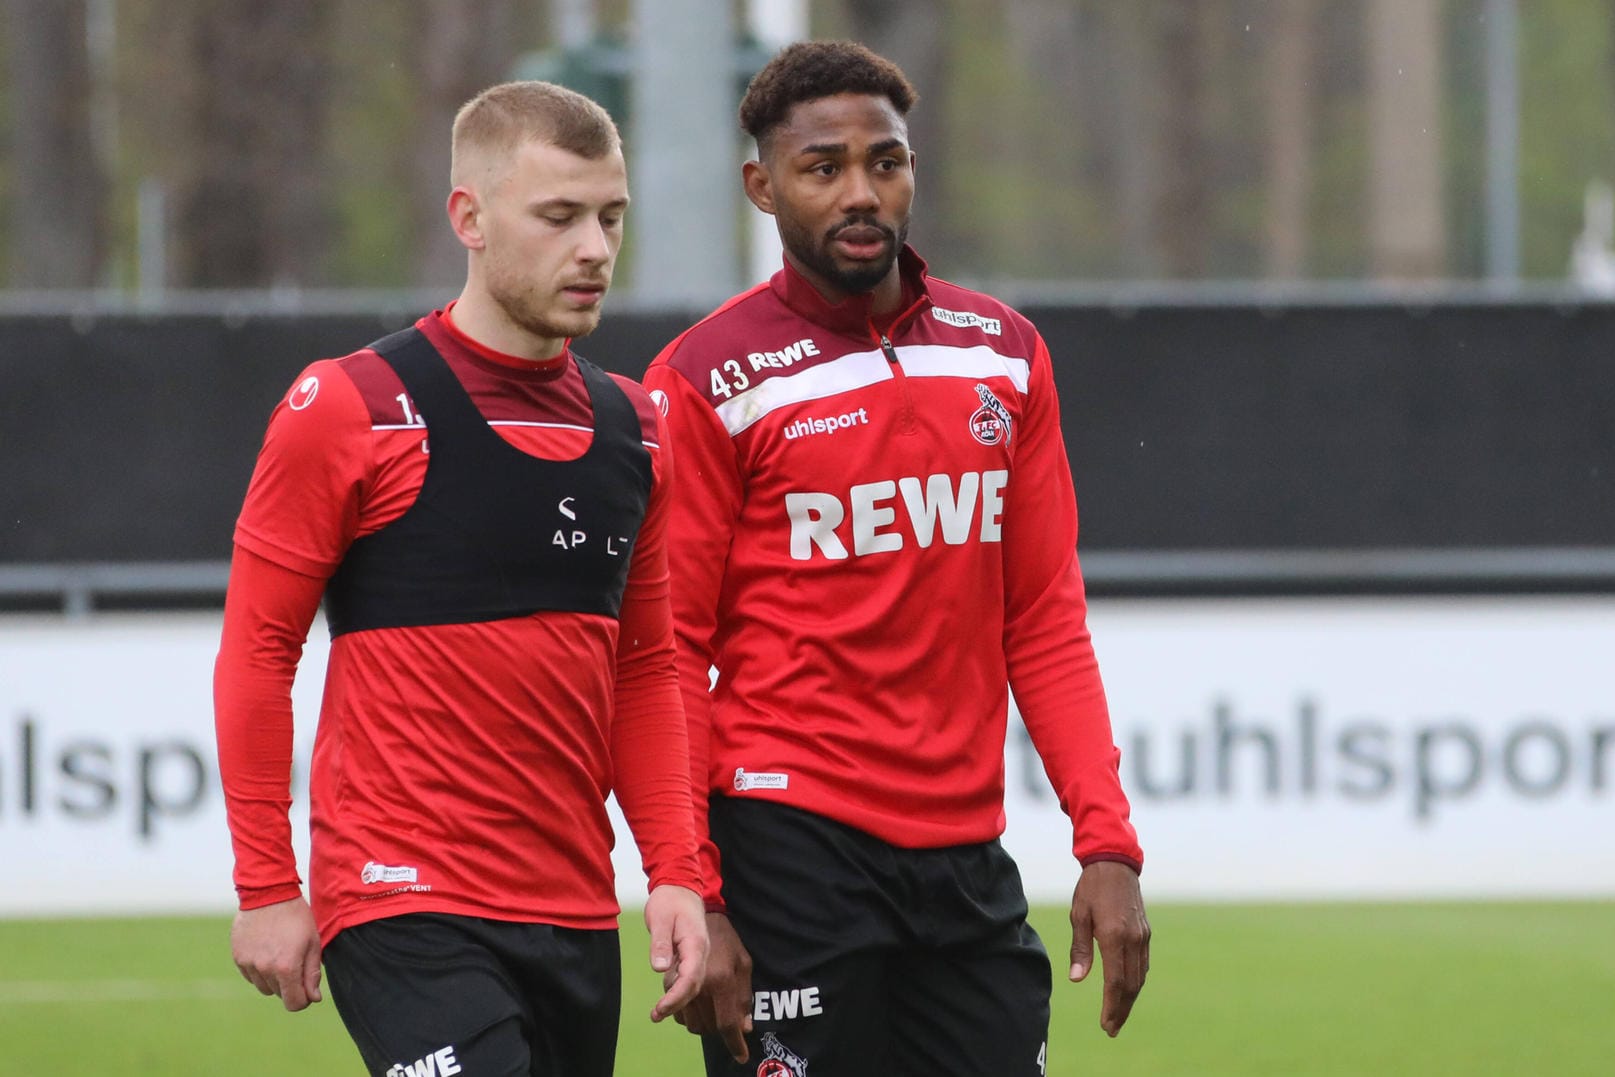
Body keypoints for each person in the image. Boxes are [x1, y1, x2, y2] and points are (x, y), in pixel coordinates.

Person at [642, 41, 1150, 1076]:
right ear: (763, 186)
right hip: (790, 849)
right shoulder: (705, 379)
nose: (861, 192)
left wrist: (1105, 842)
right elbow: (666, 658)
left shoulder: (1002, 351)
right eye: (822, 168)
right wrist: (695, 889)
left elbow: (1042, 619)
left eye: (887, 161)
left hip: (965, 858)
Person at [214, 80, 707, 1077]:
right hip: (404, 899)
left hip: (573, 911)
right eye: (560, 216)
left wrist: (677, 873)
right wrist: (267, 884)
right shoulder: (350, 405)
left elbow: (648, 672)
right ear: (469, 219)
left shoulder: (636, 427)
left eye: (611, 217)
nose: (596, 250)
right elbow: (259, 655)